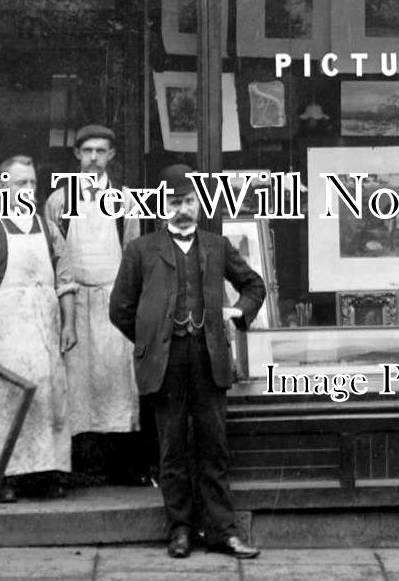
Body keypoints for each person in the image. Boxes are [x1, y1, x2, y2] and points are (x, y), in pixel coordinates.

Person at [109, 164, 266, 560]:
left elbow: (254, 285)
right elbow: (120, 310)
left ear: (199, 204)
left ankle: (223, 532)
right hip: (165, 361)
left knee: (214, 446)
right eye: (175, 202)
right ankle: (179, 529)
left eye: (189, 201)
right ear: (162, 207)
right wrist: (152, 340)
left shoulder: (216, 246)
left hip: (209, 356)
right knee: (172, 448)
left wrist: (236, 313)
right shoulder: (141, 250)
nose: (183, 209)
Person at [0, 155, 76, 503]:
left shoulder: (49, 229)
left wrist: (69, 323)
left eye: (31, 184)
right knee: (8, 401)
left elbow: (66, 281)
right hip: (6, 330)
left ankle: (45, 475)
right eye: (18, 184)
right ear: (2, 187)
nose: (26, 191)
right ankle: (0, 478)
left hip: (45, 328)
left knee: (47, 399)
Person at [44, 124, 146, 485]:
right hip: (74, 303)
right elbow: (53, 257)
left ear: (111, 156)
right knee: (74, 382)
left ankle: (124, 466)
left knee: (117, 378)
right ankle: (72, 467)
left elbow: (133, 252)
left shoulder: (125, 199)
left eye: (101, 151)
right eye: (87, 151)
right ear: (77, 155)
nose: (93, 158)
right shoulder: (58, 200)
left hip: (113, 301)